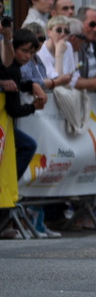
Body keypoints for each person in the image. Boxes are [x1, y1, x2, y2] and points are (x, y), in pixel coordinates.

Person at [0, 30, 48, 239]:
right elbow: (14, 109)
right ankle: (10, 189)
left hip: (5, 127)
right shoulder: (10, 70)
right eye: (23, 51)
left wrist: (33, 84)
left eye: (31, 52)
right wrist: (33, 107)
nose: (27, 56)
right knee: (27, 146)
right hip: (4, 125)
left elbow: (20, 83)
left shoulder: (15, 70)